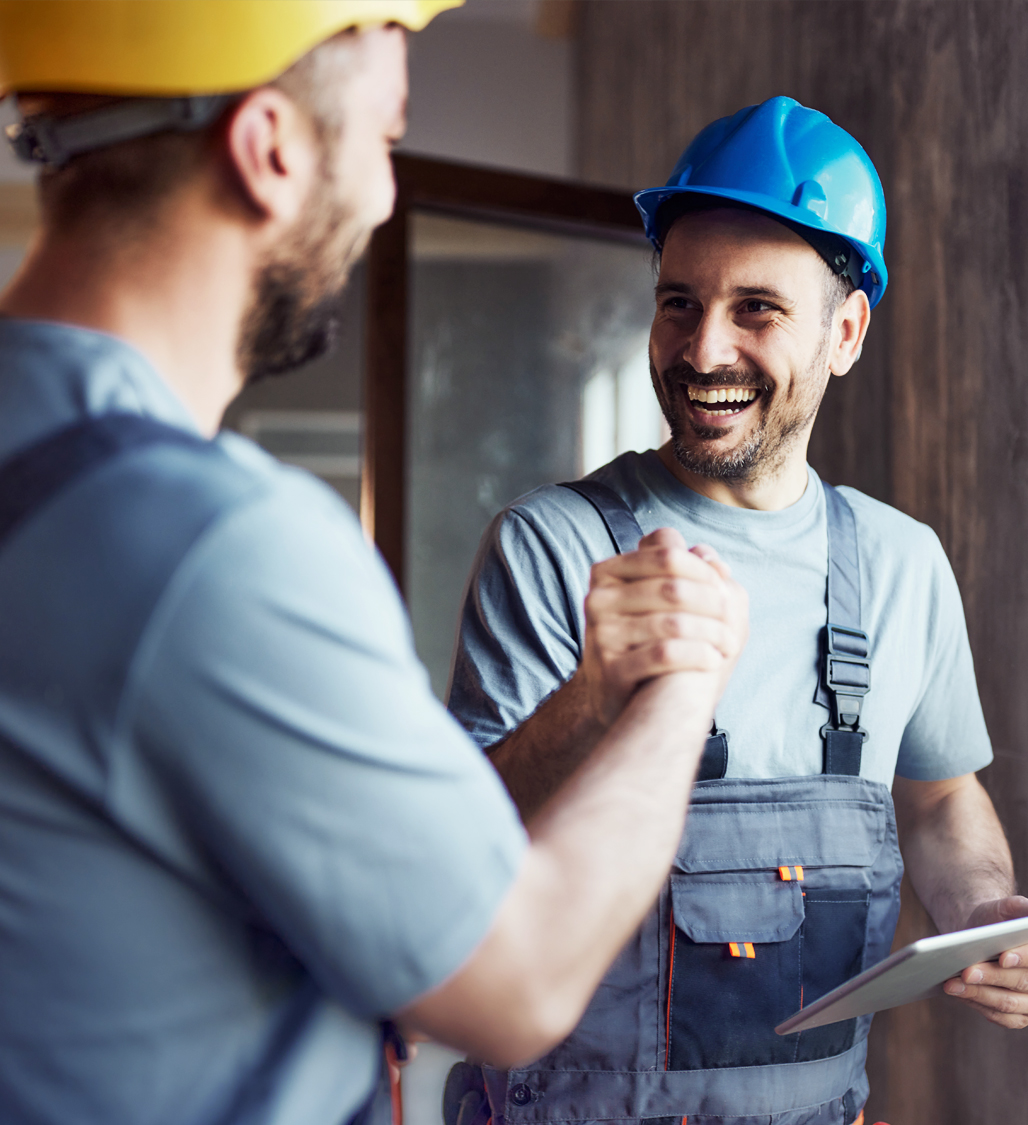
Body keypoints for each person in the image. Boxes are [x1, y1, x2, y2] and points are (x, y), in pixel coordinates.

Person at [0, 4, 751, 1124]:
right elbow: (521, 977)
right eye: (386, 139)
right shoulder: (214, 545)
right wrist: (686, 677)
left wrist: (593, 697)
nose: (388, 196)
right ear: (270, 148)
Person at [445, 97, 1028, 1125]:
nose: (701, 349)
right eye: (678, 303)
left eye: (755, 309)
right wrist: (597, 695)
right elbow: (458, 853)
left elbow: (940, 799)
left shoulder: (901, 563)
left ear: (844, 333)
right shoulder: (551, 548)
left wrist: (985, 913)